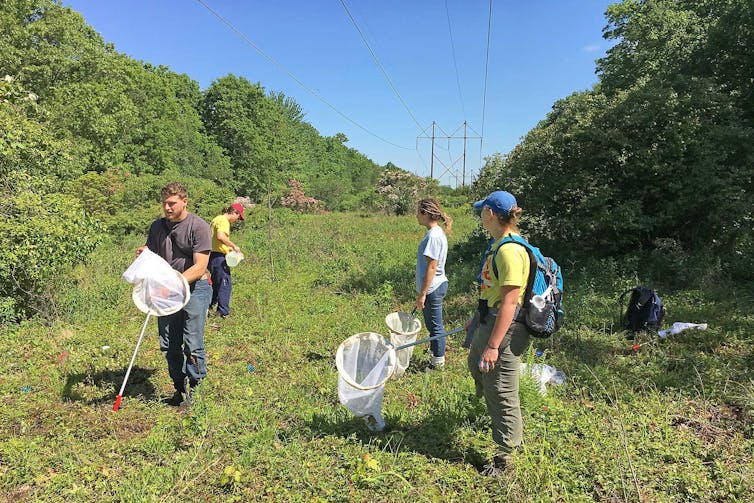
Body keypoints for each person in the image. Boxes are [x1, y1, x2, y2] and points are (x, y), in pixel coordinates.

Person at [466, 190, 532, 476]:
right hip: (489, 318)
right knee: (475, 365)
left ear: (490, 214)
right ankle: (493, 405)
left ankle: (506, 457)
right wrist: (475, 317)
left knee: (502, 389)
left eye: (483, 210)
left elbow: (510, 300)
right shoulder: (499, 244)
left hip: (505, 326)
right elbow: (492, 292)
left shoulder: (509, 251)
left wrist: (493, 345)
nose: (481, 215)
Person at [136, 182, 212, 407]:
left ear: (184, 201)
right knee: (169, 343)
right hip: (165, 291)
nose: (167, 208)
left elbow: (199, 267)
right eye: (164, 203)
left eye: (172, 203)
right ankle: (179, 388)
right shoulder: (157, 227)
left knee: (192, 341)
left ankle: (196, 390)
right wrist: (144, 254)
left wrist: (174, 283)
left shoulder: (198, 227)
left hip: (195, 288)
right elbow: (155, 255)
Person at [415, 198, 453, 370]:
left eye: (418, 212)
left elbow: (432, 266)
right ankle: (435, 357)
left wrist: (423, 293)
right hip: (435, 286)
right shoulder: (436, 233)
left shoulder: (433, 236)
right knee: (432, 325)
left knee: (435, 328)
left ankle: (438, 365)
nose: (416, 216)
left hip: (433, 288)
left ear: (425, 213)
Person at [209, 203, 245, 318]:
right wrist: (234, 246)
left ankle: (209, 307)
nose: (237, 220)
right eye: (238, 217)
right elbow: (220, 236)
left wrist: (228, 248)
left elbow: (216, 240)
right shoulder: (224, 221)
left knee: (216, 283)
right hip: (219, 258)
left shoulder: (216, 219)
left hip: (212, 255)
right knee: (225, 283)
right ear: (234, 212)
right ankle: (223, 312)